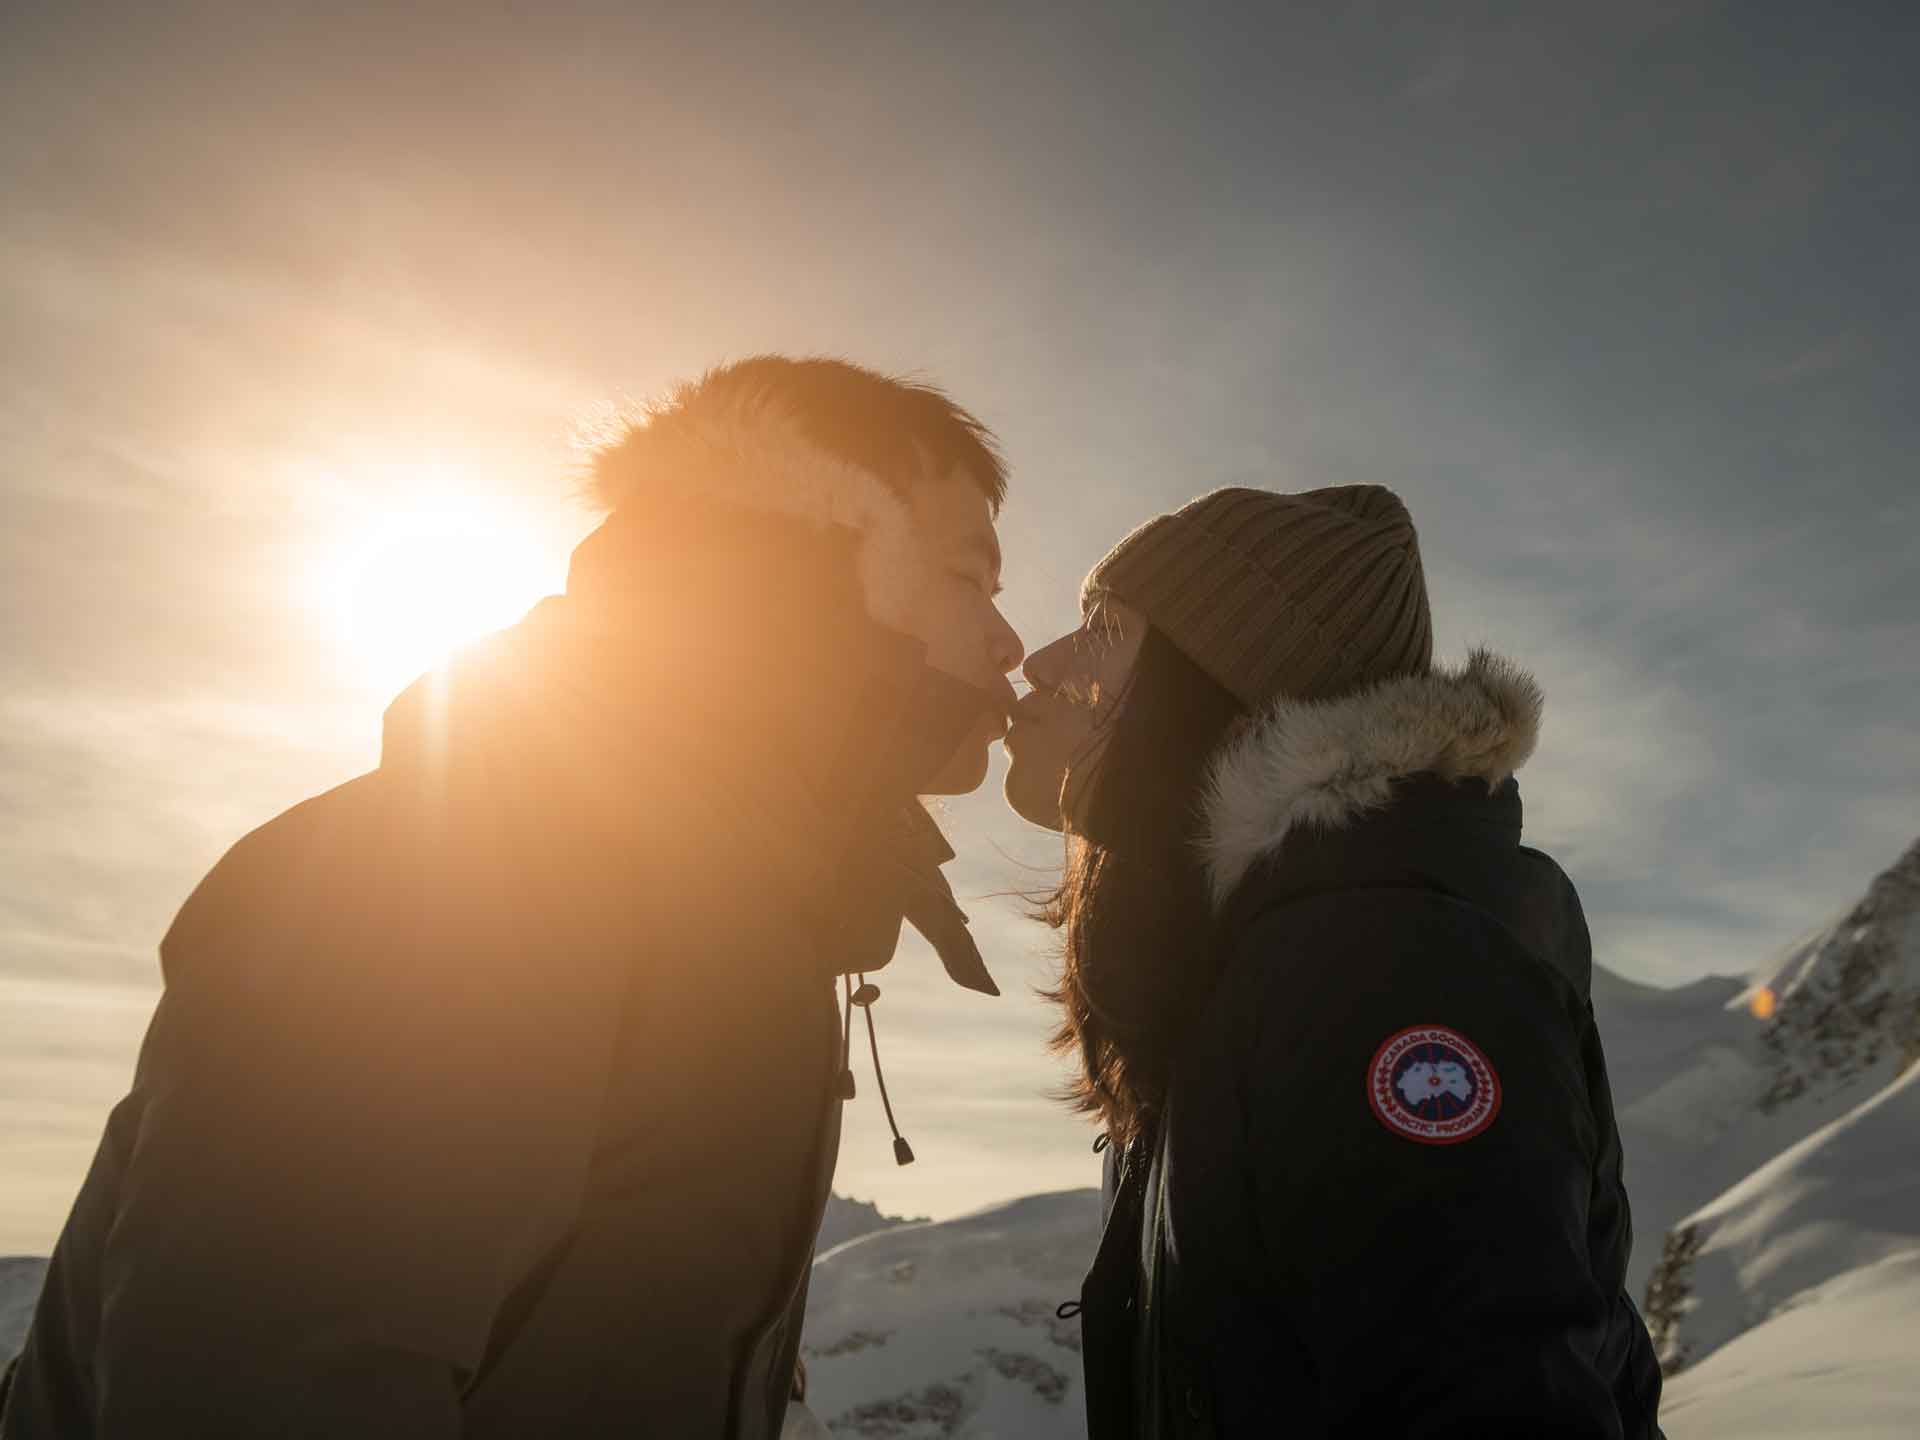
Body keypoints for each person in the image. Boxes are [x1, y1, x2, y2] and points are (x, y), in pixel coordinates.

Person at [0, 357, 1024, 1439]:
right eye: (972, 580)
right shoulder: (473, 859)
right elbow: (270, 1382)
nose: (1007, 643)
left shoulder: (731, 899)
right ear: (820, 559)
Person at [1003, 485, 1664, 1437]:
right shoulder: (1275, 949)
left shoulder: (1388, 966)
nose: (1042, 661)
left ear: (1208, 685)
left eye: (1104, 629)